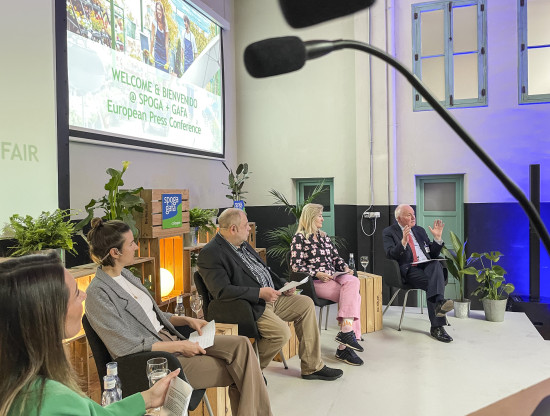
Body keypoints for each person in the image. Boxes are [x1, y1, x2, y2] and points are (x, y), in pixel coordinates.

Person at [85, 218, 271, 416]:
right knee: (244, 372)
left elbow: (151, 316)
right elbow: (124, 346)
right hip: (156, 360)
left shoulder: (127, 276)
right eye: (131, 243)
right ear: (115, 252)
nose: (136, 247)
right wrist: (181, 346)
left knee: (242, 344)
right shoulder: (98, 293)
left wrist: (185, 320)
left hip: (172, 339)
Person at [0, 252, 179, 416]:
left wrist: (148, 398)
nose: (84, 295)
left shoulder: (20, 387)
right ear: (48, 314)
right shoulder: (51, 401)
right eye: (77, 293)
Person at [198, 208, 344, 381]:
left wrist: (283, 285)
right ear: (233, 229)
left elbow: (263, 272)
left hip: (270, 298)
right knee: (281, 333)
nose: (250, 229)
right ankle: (248, 372)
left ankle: (312, 367)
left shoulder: (242, 245)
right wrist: (259, 293)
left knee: (305, 303)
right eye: (246, 225)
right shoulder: (211, 253)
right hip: (247, 306)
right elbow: (221, 291)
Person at [290, 203, 364, 366]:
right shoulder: (300, 238)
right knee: (354, 297)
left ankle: (346, 333)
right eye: (320, 216)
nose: (323, 219)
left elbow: (336, 259)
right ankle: (345, 345)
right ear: (310, 217)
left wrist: (345, 267)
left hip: (334, 276)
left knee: (353, 281)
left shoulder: (324, 237)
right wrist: (316, 273)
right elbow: (295, 266)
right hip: (316, 282)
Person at [382, 204, 454, 342]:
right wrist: (403, 242)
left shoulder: (419, 230)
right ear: (399, 218)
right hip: (409, 269)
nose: (413, 217)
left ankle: (439, 306)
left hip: (426, 266)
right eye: (409, 215)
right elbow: (390, 254)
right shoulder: (389, 232)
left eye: (413, 213)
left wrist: (437, 239)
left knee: (435, 263)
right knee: (434, 285)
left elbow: (432, 253)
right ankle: (437, 325)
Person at [149, 1, 169, 72]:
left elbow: (166, 44)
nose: (158, 12)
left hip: (164, 54)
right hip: (157, 53)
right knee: (158, 75)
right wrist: (150, 54)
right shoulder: (154, 22)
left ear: (162, 11)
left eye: (160, 10)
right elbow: (152, 39)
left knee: (165, 77)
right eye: (157, 9)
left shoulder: (165, 24)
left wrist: (167, 61)